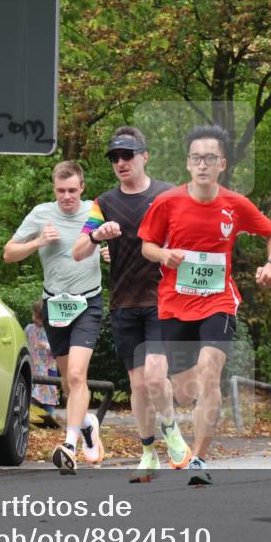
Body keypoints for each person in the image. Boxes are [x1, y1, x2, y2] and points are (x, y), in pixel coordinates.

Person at [139, 125, 271, 485]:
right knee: (185, 390)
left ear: (222, 164)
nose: (203, 164)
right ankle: (175, 431)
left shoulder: (235, 205)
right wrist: (165, 254)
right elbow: (147, 246)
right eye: (196, 158)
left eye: (210, 158)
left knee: (210, 372)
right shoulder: (167, 202)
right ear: (188, 164)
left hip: (218, 301)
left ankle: (200, 461)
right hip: (175, 303)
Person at [72, 126, 191, 484]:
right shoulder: (103, 203)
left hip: (162, 300)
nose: (120, 162)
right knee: (138, 387)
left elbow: (191, 236)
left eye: (127, 155)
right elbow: (78, 252)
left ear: (144, 156)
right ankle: (148, 452)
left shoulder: (168, 195)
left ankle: (171, 430)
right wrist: (96, 236)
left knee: (156, 376)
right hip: (124, 304)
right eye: (114, 158)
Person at [4, 161, 104, 474]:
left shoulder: (95, 210)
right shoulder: (41, 214)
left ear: (82, 188)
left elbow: (110, 239)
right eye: (61, 190)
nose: (67, 196)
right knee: (68, 382)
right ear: (54, 189)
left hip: (88, 302)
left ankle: (69, 444)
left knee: (76, 376)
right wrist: (38, 242)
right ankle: (87, 424)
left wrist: (108, 250)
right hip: (55, 305)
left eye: (72, 190)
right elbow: (8, 253)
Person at [25, 299, 61, 422]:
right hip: (34, 368)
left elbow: (58, 348)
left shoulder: (52, 330)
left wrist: (46, 346)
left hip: (47, 368)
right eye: (33, 315)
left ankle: (48, 419)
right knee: (32, 393)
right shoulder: (29, 329)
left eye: (37, 317)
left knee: (49, 393)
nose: (34, 318)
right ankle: (32, 418)